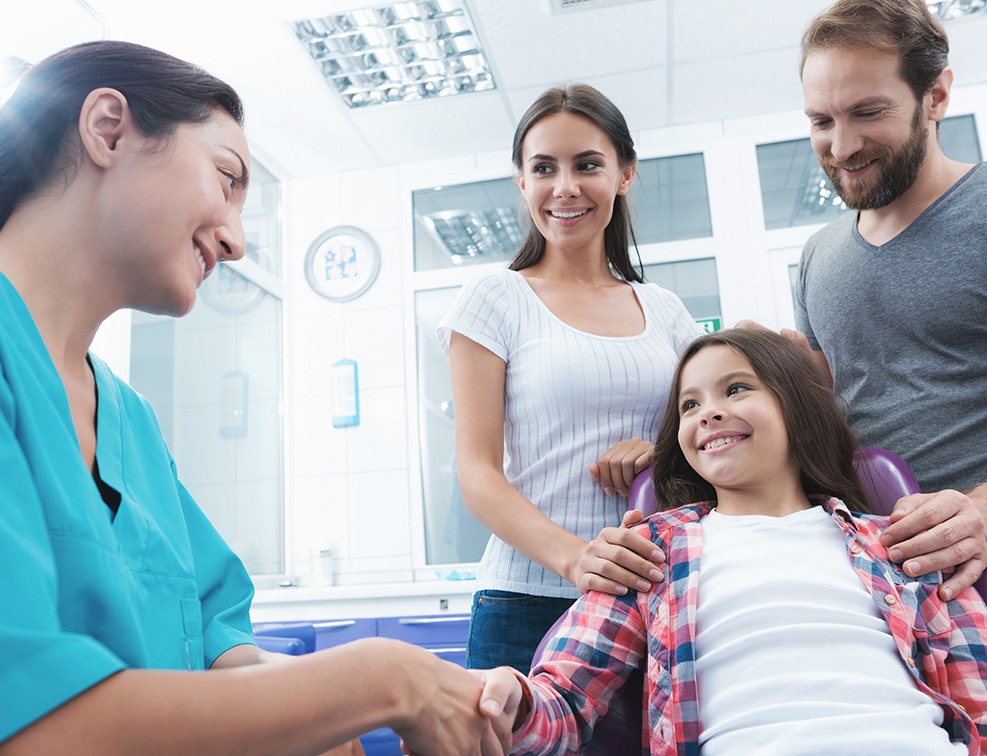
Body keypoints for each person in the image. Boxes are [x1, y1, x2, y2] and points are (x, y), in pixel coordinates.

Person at [0, 40, 512, 755]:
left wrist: (344, 711)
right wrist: (382, 678)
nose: (238, 243)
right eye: (226, 178)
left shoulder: (129, 422)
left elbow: (217, 650)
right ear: (108, 129)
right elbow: (32, 722)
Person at [478, 329, 987, 753]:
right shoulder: (651, 550)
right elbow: (562, 701)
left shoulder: (901, 540)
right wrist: (508, 704)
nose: (707, 412)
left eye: (737, 389)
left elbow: (977, 694)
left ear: (799, 409)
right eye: (690, 404)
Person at [437, 84, 697, 672]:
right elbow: (477, 473)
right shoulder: (494, 298)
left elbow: (707, 443)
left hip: (653, 594)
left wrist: (660, 453)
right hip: (526, 603)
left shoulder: (666, 311)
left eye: (587, 165)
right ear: (522, 183)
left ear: (625, 175)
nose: (565, 187)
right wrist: (578, 559)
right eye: (544, 168)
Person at [790, 0, 987, 599]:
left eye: (867, 113)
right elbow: (824, 422)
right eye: (821, 120)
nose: (842, 145)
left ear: (936, 96)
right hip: (884, 586)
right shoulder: (816, 257)